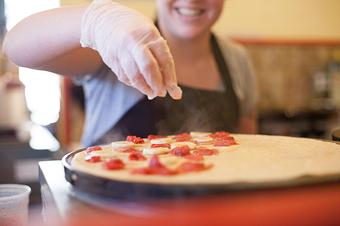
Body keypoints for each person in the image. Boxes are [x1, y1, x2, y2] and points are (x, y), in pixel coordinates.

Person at [3, 0, 258, 147]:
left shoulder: (237, 58)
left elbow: (246, 146)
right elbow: (15, 46)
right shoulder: (118, 43)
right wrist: (98, 20)